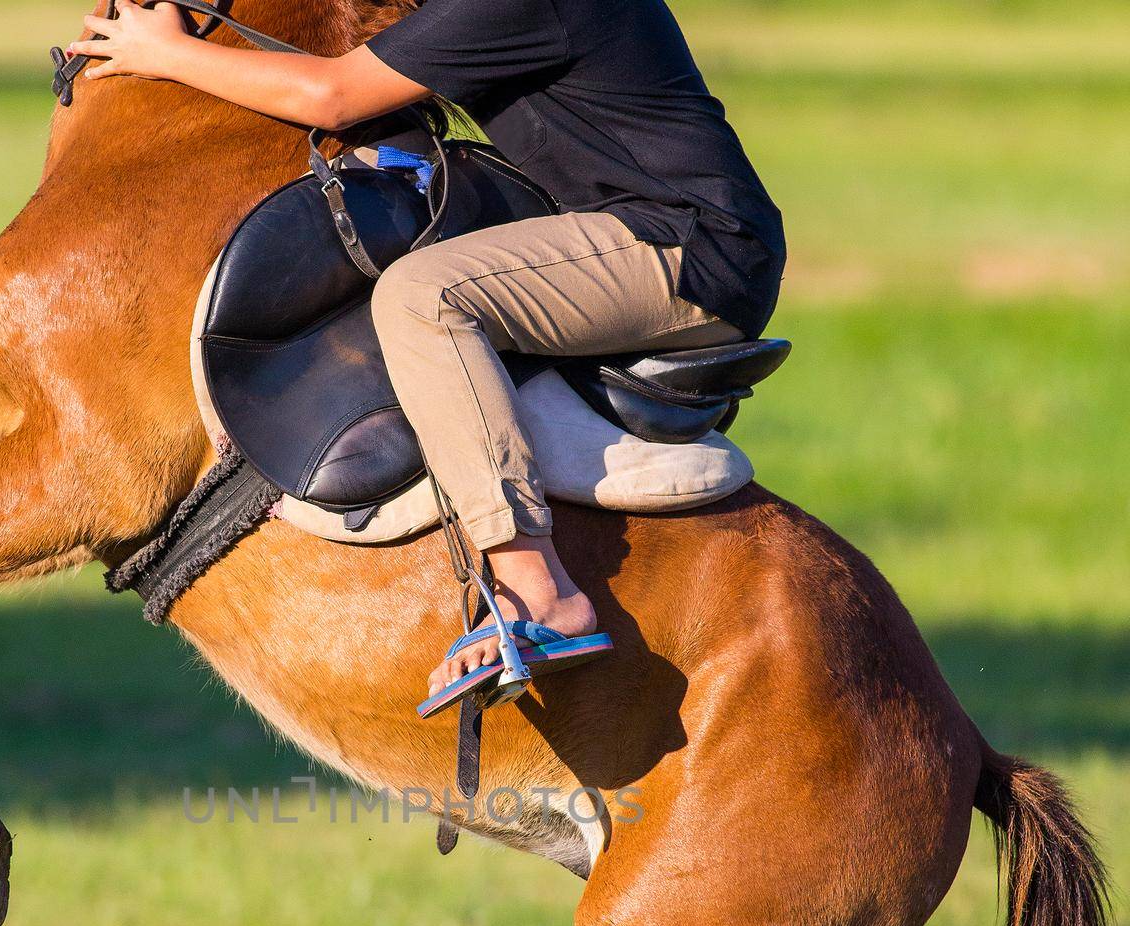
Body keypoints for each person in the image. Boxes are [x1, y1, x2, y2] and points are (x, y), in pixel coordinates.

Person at [68, 0, 785, 710]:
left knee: (426, 296)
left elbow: (334, 95)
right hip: (649, 231)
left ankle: (536, 589)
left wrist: (165, 52)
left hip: (692, 251)